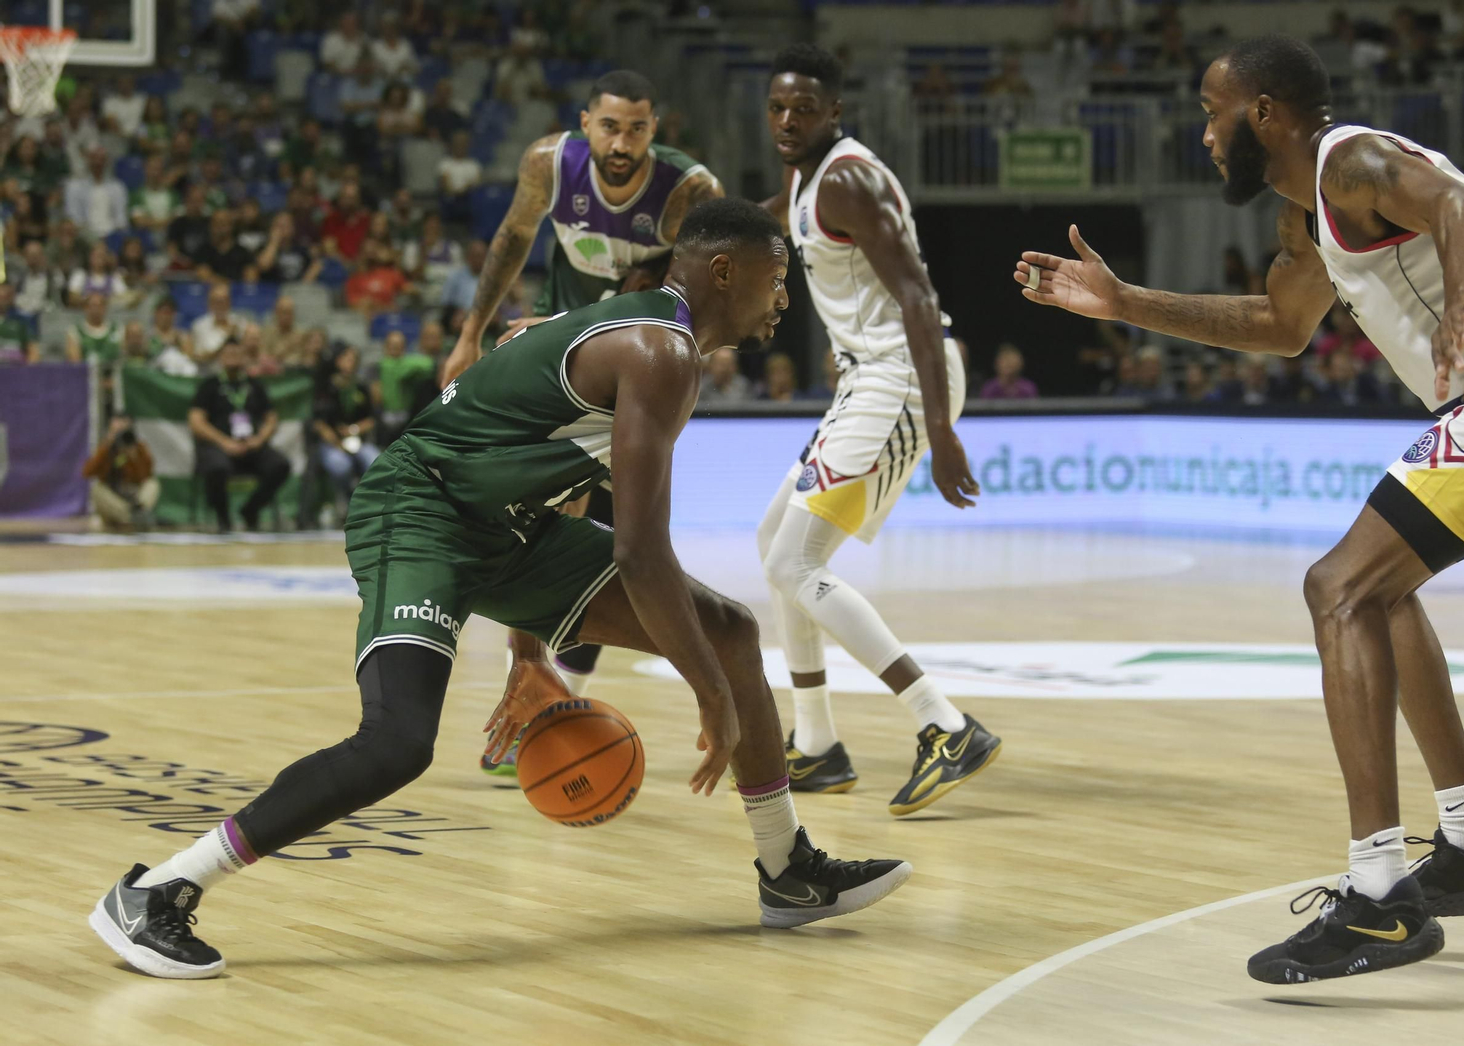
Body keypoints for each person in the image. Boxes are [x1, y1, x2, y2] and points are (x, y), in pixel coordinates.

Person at [89, 199, 912, 979]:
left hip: (509, 525)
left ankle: (787, 869)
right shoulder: (659, 352)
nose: (783, 302)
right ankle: (159, 890)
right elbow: (638, 551)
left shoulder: (643, 333)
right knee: (397, 742)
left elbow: (556, 467)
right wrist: (710, 694)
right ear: (724, 271)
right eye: (777, 280)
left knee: (729, 630)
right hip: (421, 510)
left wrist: (529, 651)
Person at [1015, 33, 1464, 983]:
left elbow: (1453, 206)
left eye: (1214, 114)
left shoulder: (1351, 159)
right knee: (1379, 596)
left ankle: (1380, 899)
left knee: (1340, 588)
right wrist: (1123, 303)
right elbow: (1282, 327)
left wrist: (1460, 300)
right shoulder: (1312, 215)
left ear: (1265, 114)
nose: (1206, 136)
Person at [440, 68, 725, 769]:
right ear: (585, 124)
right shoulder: (550, 162)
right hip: (563, 350)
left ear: (655, 130)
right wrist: (470, 332)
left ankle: (558, 689)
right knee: (544, 509)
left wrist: (645, 291)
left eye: (637, 129)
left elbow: (709, 290)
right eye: (610, 127)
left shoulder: (690, 192)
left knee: (627, 537)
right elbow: (512, 238)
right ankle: (536, 683)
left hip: (642, 359)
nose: (622, 143)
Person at [757, 45, 998, 815]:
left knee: (794, 562)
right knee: (776, 545)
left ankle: (946, 725)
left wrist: (942, 429)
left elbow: (919, 298)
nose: (788, 121)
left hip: (903, 379)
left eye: (804, 109)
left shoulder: (849, 180)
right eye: (777, 108)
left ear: (834, 112)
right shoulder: (802, 179)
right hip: (868, 379)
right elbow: (770, 222)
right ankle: (818, 744)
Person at [188, 338, 290, 532]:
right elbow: (196, 421)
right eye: (228, 354)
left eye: (237, 354)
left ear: (244, 357)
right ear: (220, 358)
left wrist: (259, 439)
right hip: (219, 447)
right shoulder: (210, 386)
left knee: (280, 465)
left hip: (251, 445)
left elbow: (271, 418)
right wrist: (223, 442)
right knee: (216, 467)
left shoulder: (254, 385)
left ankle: (250, 509)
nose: (233, 358)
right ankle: (223, 518)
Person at [312, 342, 380, 513]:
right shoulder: (325, 387)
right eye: (346, 358)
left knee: (375, 461)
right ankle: (346, 497)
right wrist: (338, 444)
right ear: (337, 361)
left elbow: (371, 419)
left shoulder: (361, 386)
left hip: (358, 440)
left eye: (353, 359)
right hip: (332, 443)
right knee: (341, 465)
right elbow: (319, 423)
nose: (350, 362)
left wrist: (354, 429)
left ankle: (369, 503)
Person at [83, 415, 159, 531]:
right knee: (96, 489)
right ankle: (132, 519)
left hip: (134, 498)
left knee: (152, 484)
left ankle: (134, 516)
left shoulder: (139, 447)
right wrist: (107, 447)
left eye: (124, 431)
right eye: (117, 431)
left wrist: (133, 457)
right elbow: (87, 472)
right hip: (114, 499)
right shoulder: (106, 449)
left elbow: (145, 476)